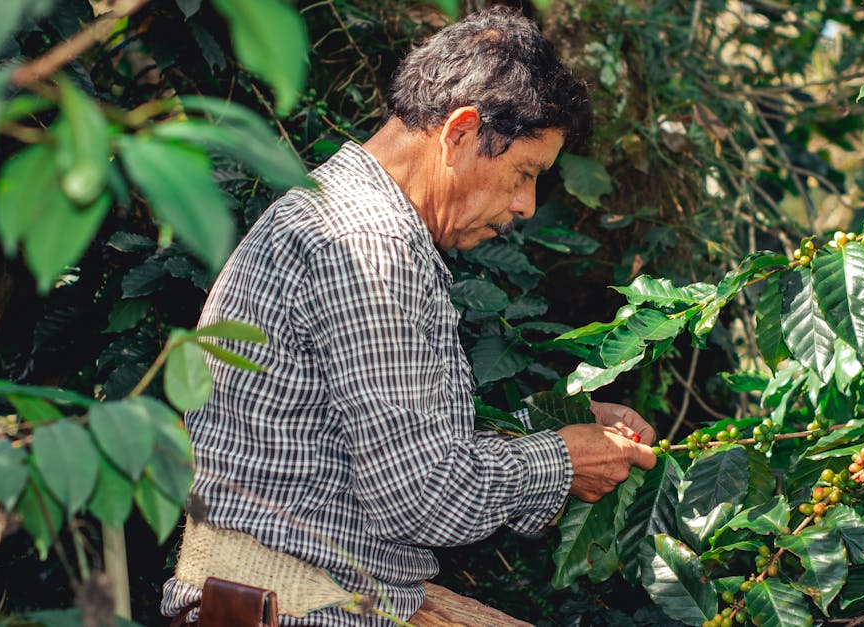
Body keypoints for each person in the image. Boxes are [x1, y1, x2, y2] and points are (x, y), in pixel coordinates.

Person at [160, 6, 657, 625]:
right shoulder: (370, 246)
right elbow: (419, 495)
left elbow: (386, 446)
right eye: (524, 174)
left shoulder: (343, 210)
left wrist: (560, 429)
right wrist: (562, 459)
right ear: (460, 132)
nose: (526, 205)